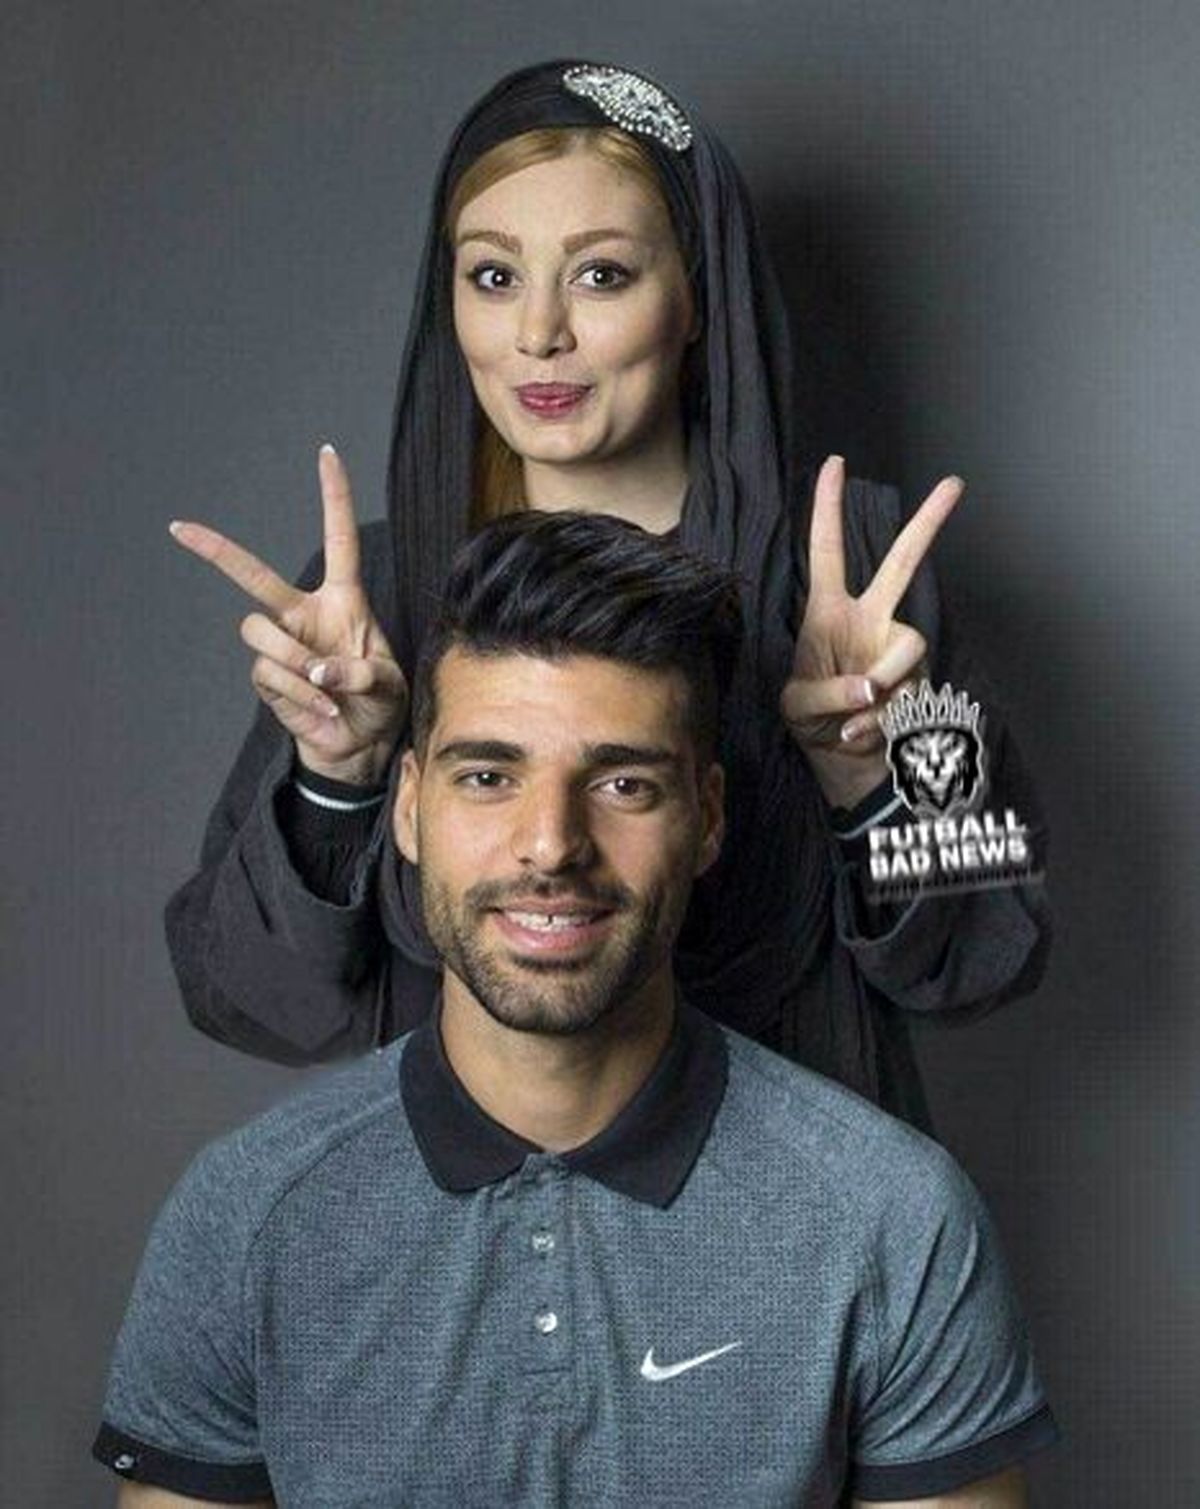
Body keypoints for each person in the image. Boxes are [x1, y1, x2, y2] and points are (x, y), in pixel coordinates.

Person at [97, 514, 1057, 1506]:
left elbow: (982, 947)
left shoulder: (892, 1217)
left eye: (624, 783)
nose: (552, 844)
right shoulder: (248, 1215)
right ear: (410, 807)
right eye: (488, 777)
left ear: (708, 817)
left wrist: (881, 771)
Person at [165, 60, 1049, 1130]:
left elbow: (987, 952)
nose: (539, 332)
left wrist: (870, 785)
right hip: (476, 1210)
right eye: (495, 275)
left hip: (791, 1198)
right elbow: (247, 994)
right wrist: (337, 782)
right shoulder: (380, 598)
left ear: (696, 298)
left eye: (600, 275)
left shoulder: (857, 573)